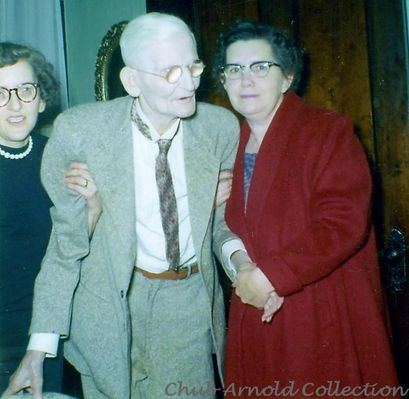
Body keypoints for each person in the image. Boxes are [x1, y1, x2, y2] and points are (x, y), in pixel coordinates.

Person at [4, 13, 243, 399]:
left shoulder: (220, 129)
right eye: (169, 72)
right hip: (107, 315)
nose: (188, 83)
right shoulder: (81, 132)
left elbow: (219, 222)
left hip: (186, 309)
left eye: (193, 65)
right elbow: (67, 244)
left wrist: (240, 260)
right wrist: (39, 348)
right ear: (131, 80)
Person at [212, 20, 400, 398]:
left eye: (260, 67)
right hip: (256, 306)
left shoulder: (327, 132)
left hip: (319, 306)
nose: (246, 80)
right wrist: (244, 268)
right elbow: (228, 228)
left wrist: (272, 275)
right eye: (234, 70)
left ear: (288, 77)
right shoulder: (229, 144)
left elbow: (341, 224)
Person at [0, 43, 101, 394]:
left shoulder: (59, 159)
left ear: (41, 99)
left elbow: (70, 250)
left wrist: (92, 210)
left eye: (26, 90)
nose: (15, 104)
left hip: (48, 333)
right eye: (0, 93)